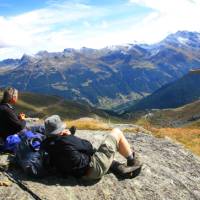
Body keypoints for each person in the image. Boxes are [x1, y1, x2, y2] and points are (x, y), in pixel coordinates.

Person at [41, 115, 142, 180]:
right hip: (93, 170)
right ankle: (131, 161)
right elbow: (88, 146)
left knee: (98, 153)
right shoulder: (67, 140)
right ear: (61, 130)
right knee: (117, 132)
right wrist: (70, 136)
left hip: (76, 173)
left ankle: (116, 166)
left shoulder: (45, 144)